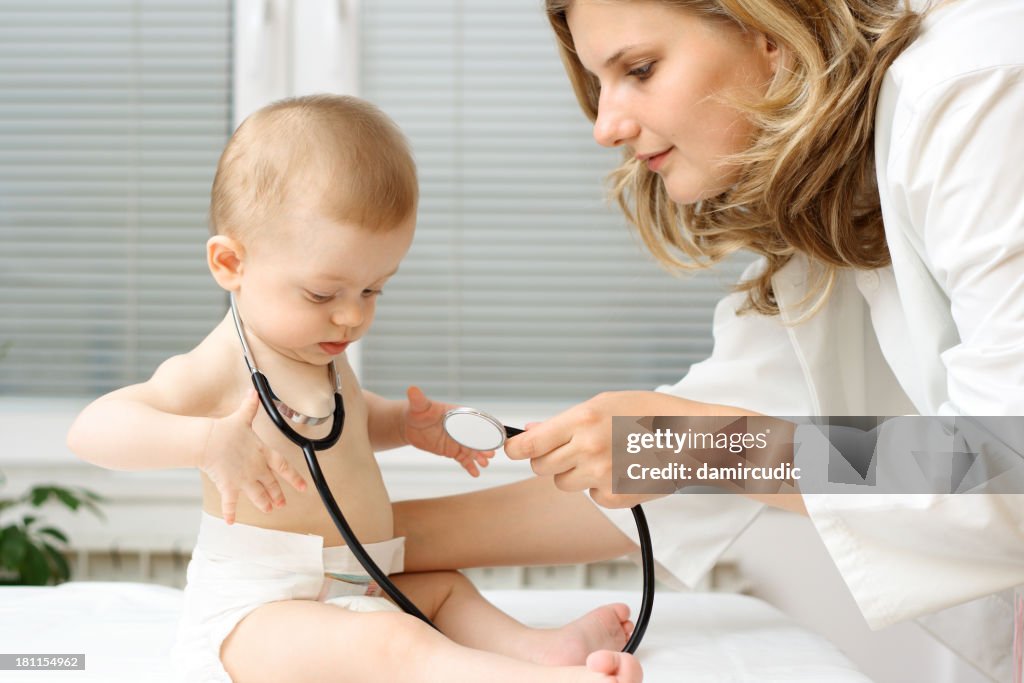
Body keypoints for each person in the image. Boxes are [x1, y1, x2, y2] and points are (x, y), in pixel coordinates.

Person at [394, 0, 1024, 680]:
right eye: (599, 83)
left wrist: (709, 442)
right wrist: (350, 537)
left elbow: (1004, 462)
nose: (606, 126)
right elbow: (678, 469)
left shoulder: (977, 93)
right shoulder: (837, 186)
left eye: (640, 68)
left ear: (770, 32)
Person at [66, 94, 643, 683]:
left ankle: (538, 649)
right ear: (230, 264)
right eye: (323, 294)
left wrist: (404, 426)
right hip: (258, 615)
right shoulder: (220, 368)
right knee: (391, 641)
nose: (350, 317)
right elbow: (93, 430)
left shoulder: (320, 355)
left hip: (360, 577)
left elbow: (345, 425)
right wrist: (208, 444)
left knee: (444, 592)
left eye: (373, 291)